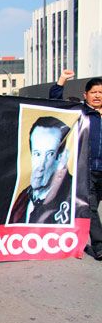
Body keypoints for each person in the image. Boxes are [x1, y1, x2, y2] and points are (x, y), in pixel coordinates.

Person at [49, 74, 102, 258]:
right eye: (93, 92)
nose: (97, 96)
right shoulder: (80, 112)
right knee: (91, 208)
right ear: (85, 94)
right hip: (86, 170)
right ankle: (99, 246)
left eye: (101, 92)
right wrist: (62, 81)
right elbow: (55, 103)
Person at [9, 116, 73, 224]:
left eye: (50, 154)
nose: (41, 166)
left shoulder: (73, 195)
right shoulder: (23, 198)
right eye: (37, 154)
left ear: (62, 157)